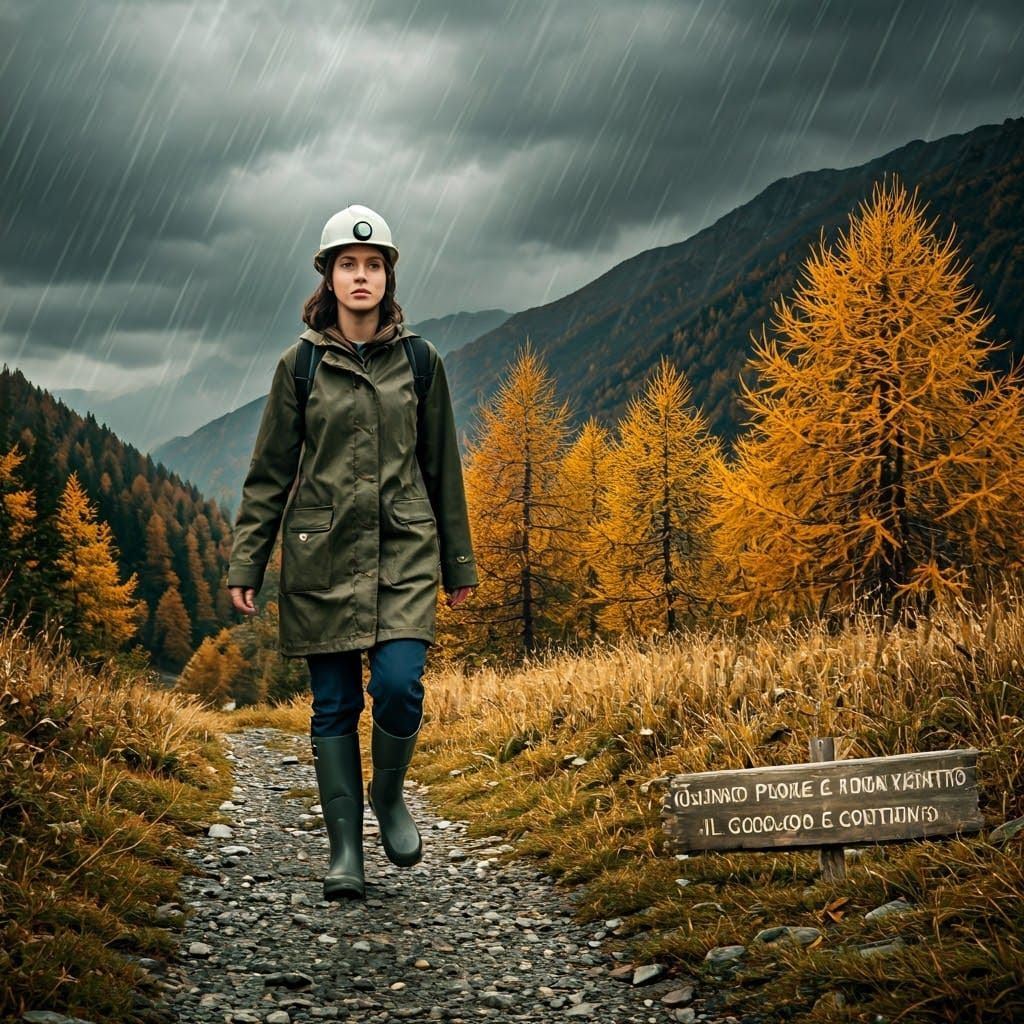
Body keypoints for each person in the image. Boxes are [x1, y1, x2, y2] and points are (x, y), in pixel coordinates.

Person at [226, 204, 478, 900]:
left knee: (399, 685)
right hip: (323, 557)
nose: (360, 276)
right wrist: (246, 563)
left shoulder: (421, 362)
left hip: (402, 552)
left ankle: (388, 795)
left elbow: (442, 467)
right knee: (333, 705)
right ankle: (344, 854)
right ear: (328, 276)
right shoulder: (299, 366)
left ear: (387, 276)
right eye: (348, 265)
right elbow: (270, 473)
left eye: (372, 265)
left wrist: (458, 562)